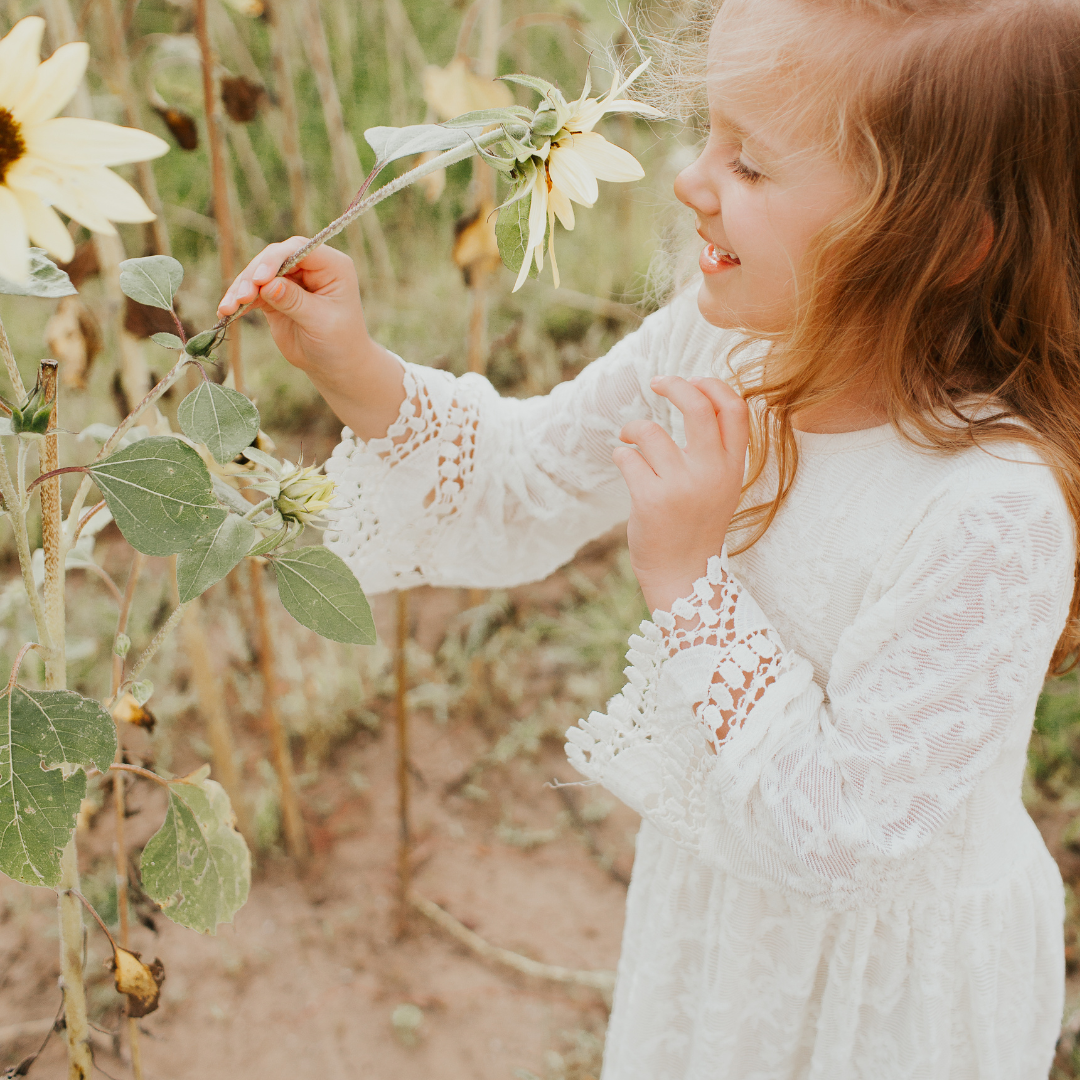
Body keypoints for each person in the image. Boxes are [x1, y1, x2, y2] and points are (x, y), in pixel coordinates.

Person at [217, 0, 1080, 1074]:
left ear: (940, 240)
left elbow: (841, 836)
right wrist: (353, 364)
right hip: (724, 929)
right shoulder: (718, 346)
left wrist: (688, 575)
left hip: (888, 996)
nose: (691, 180)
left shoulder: (992, 508)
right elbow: (523, 483)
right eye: (709, 134)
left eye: (752, 167)